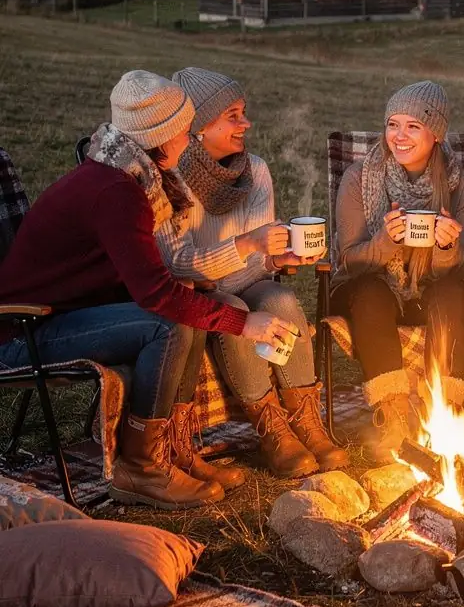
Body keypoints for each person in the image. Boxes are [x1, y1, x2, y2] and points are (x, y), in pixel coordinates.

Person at [0, 71, 297, 510]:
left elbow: (152, 281)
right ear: (160, 135)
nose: (191, 134)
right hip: (24, 330)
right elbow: (155, 296)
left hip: (65, 313)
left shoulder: (131, 176)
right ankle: (140, 467)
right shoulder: (117, 192)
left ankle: (175, 449)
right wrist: (243, 322)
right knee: (168, 324)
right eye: (184, 127)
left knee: (188, 311)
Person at [156, 67, 345, 476]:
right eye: (234, 116)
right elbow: (179, 264)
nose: (247, 123)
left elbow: (259, 260)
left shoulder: (254, 170)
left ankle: (307, 423)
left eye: (244, 112)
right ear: (200, 127)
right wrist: (247, 245)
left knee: (280, 297)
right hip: (196, 293)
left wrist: (277, 259)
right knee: (234, 311)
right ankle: (272, 429)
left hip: (249, 281)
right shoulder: (171, 180)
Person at [331, 81, 464, 457]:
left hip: (429, 290)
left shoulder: (463, 188)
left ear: (436, 133)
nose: (398, 136)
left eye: (413, 126)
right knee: (371, 292)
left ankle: (444, 414)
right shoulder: (358, 178)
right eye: (392, 124)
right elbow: (348, 260)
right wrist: (385, 242)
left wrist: (446, 248)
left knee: (453, 294)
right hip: (365, 289)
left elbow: (463, 273)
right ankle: (393, 417)